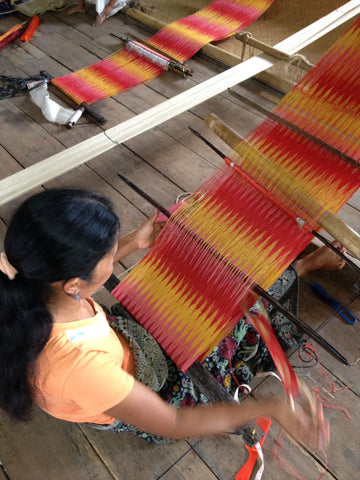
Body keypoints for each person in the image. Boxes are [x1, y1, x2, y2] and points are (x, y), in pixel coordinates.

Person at [0, 189, 333, 449]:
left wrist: (136, 241)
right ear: (74, 284)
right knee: (235, 313)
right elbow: (173, 423)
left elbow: (74, 296)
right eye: (109, 253)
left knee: (201, 292)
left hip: (121, 347)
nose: (115, 255)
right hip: (152, 391)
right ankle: (304, 266)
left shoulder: (20, 272)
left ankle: (299, 266)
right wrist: (273, 408)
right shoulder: (79, 366)